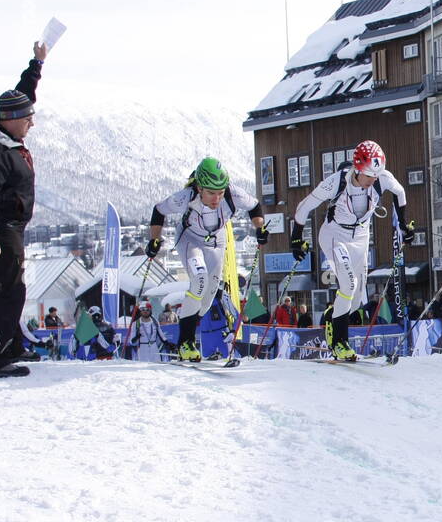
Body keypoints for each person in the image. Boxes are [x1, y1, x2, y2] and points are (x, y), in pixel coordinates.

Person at [291, 140, 413, 361]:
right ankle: (339, 343)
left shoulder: (381, 177)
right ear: (357, 169)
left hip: (361, 238)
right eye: (369, 175)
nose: (374, 180)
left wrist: (403, 224)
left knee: (356, 302)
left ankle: (331, 317)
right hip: (335, 236)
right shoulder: (336, 182)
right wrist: (296, 239)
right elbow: (304, 207)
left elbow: (400, 193)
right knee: (348, 284)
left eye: (377, 175)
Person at [146, 157, 268, 362]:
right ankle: (185, 342)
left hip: (216, 240)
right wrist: (154, 240)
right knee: (199, 280)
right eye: (211, 193)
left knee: (210, 293)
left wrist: (260, 227)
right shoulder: (186, 196)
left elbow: (255, 207)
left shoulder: (233, 193)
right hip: (189, 239)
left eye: (220, 193)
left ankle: (190, 330)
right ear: (200, 188)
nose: (217, 198)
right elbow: (158, 211)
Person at [0, 41, 48, 378]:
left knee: (16, 288)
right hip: (1, 230)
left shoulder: (6, 132)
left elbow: (21, 96)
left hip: (13, 227)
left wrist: (36, 65)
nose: (31, 124)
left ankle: (12, 343)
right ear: (11, 120)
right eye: (28, 119)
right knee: (11, 290)